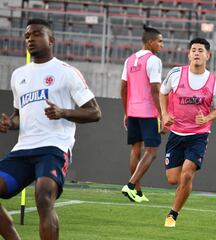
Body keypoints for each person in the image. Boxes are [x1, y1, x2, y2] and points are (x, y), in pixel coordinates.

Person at [0, 19, 101, 240]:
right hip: (23, 149)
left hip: (54, 147)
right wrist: (10, 123)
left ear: (51, 39)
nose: (30, 39)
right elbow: (19, 116)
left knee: (43, 197)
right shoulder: (18, 75)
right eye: (27, 36)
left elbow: (95, 113)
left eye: (36, 34)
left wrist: (63, 112)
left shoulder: (66, 72)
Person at [160, 38, 216, 227]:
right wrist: (164, 114)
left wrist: (207, 118)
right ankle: (182, 191)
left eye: (201, 50)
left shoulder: (215, 83)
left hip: (199, 135)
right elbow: (163, 92)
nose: (197, 53)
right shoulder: (175, 73)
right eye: (194, 50)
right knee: (173, 179)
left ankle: (172, 214)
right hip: (176, 133)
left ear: (208, 55)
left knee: (187, 174)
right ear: (189, 54)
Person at [120, 25, 164, 203]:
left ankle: (137, 193)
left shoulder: (129, 60)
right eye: (160, 41)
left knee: (135, 149)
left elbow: (123, 88)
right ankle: (130, 186)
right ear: (150, 42)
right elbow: (155, 90)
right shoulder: (154, 61)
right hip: (148, 112)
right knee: (152, 151)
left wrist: (126, 112)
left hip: (132, 111)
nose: (162, 45)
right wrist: (162, 114)